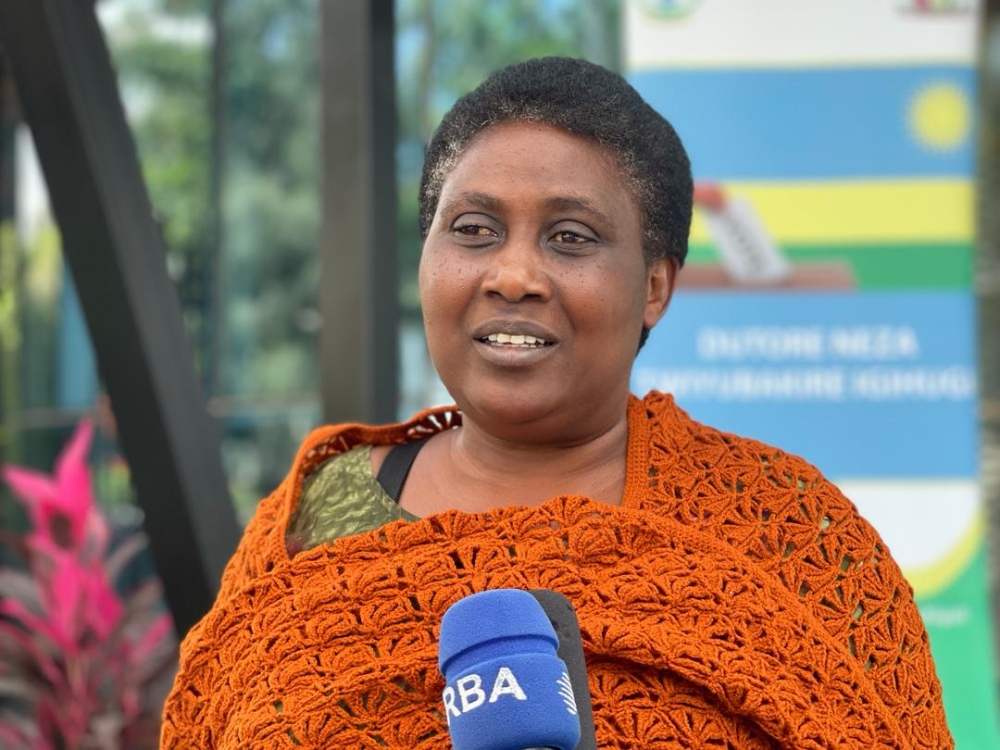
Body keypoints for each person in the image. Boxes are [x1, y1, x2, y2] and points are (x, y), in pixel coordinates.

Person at [160, 57, 952, 749]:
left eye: (570, 237)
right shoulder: (322, 510)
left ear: (654, 287)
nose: (512, 275)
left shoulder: (788, 530)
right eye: (472, 229)